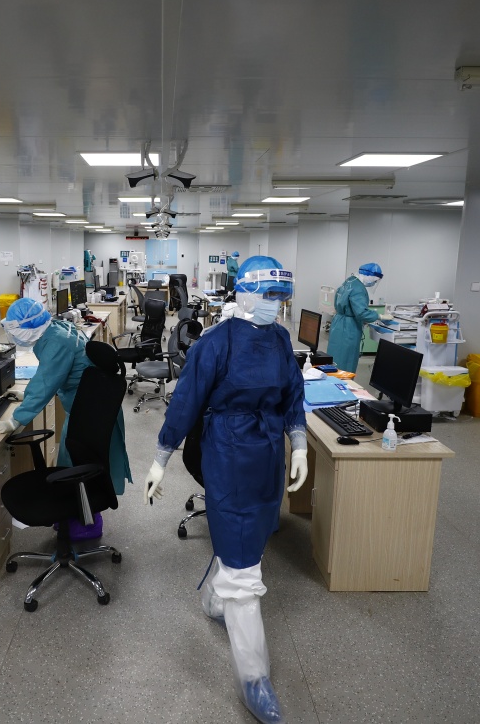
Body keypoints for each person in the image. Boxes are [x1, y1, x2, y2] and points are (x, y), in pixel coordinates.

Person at [144, 255, 307, 724]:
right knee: (241, 562)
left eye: (281, 296)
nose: (275, 304)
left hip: (268, 454)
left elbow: (293, 394)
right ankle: (253, 679)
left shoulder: (279, 339)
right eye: (268, 294)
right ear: (245, 294)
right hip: (229, 452)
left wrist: (298, 445)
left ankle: (215, 600)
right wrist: (160, 459)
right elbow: (185, 403)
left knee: (253, 537)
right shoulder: (214, 343)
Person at [0, 298, 132, 531]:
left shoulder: (56, 341)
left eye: (15, 329)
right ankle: (81, 513)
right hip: (90, 400)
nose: (12, 335)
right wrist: (29, 395)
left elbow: (47, 381)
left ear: (29, 327)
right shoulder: (55, 328)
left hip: (89, 407)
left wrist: (14, 420)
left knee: (76, 460)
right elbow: (50, 374)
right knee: (75, 457)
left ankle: (84, 518)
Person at [327, 262, 383, 375]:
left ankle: (333, 381)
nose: (374, 283)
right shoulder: (358, 289)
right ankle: (344, 384)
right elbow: (361, 312)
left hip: (338, 323)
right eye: (375, 280)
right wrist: (379, 316)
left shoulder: (349, 281)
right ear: (370, 276)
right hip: (349, 328)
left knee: (335, 357)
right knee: (346, 360)